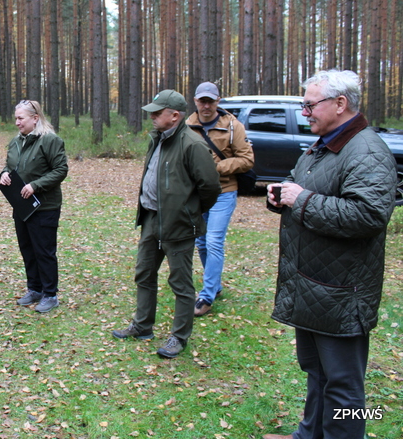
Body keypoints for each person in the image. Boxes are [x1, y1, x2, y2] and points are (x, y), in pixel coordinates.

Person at [263, 70, 396, 439]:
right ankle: (309, 435)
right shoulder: (323, 144)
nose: (304, 112)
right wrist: (284, 197)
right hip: (313, 285)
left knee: (344, 387)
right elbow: (305, 188)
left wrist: (300, 200)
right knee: (317, 372)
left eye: (310, 104)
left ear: (341, 104)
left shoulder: (366, 150)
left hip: (341, 292)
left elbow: (368, 215)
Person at [112, 90, 220, 358]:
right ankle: (142, 325)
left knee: (181, 284)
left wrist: (188, 212)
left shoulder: (192, 145)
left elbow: (210, 187)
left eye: (157, 113)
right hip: (151, 219)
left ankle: (179, 337)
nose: (152, 117)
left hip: (179, 226)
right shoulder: (158, 139)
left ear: (174, 116)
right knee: (144, 273)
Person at [186, 82, 254, 317]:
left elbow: (246, 159)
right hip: (198, 194)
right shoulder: (187, 126)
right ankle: (215, 285)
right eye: (202, 101)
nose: (206, 105)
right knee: (202, 243)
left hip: (224, 192)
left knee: (214, 241)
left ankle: (206, 295)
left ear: (218, 102)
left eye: (210, 101)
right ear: (195, 101)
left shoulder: (233, 126)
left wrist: (214, 168)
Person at [0, 100, 68, 314]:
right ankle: (35, 289)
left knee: (44, 251)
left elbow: (60, 170)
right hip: (22, 206)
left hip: (45, 207)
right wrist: (3, 174)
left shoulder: (50, 141)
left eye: (21, 118)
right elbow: (9, 166)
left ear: (35, 118)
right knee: (27, 249)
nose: (17, 123)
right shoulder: (15, 142)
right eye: (16, 118)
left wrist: (35, 186)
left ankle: (50, 294)